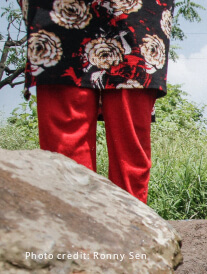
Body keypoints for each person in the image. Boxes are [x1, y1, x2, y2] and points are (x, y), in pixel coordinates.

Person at [22, 0, 174, 203]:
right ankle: (74, 225)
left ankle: (131, 229)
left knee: (129, 148)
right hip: (60, 9)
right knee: (65, 151)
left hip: (136, 10)